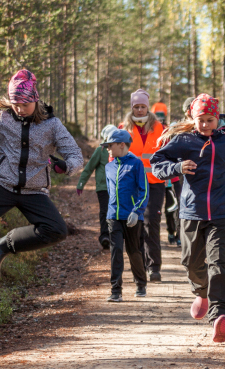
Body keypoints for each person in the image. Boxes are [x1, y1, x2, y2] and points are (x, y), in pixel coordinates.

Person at [0, 69, 83, 298]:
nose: (19, 109)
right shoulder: (3, 119)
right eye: (15, 103)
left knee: (57, 230)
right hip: (3, 185)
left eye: (24, 104)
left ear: (35, 99)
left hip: (34, 190)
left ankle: (4, 245)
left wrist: (66, 167)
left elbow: (76, 155)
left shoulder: (52, 125)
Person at [151, 94, 225, 343]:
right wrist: (176, 168)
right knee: (190, 262)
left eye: (210, 119)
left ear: (218, 118)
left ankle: (221, 314)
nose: (206, 125)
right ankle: (201, 292)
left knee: (218, 261)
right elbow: (157, 162)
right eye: (201, 120)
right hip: (191, 211)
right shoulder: (184, 139)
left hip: (222, 211)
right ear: (192, 118)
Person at [121, 89, 166, 283]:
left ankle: (154, 266)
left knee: (151, 222)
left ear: (148, 107)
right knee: (135, 224)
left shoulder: (159, 128)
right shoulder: (124, 128)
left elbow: (166, 153)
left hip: (155, 183)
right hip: (132, 184)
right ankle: (139, 267)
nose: (139, 110)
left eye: (143, 106)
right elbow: (114, 155)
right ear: (132, 107)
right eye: (136, 107)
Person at [102, 129, 149, 302]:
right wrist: (110, 211)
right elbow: (109, 191)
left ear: (121, 145)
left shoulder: (136, 164)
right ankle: (116, 291)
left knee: (133, 251)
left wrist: (137, 212)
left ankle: (141, 283)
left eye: (109, 145)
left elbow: (144, 191)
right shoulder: (109, 166)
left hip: (132, 217)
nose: (107, 148)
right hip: (113, 216)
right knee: (116, 251)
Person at [77, 124, 118, 250]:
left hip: (118, 187)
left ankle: (116, 236)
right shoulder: (100, 151)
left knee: (117, 211)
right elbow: (89, 168)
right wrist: (81, 183)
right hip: (103, 187)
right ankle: (105, 236)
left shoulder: (121, 150)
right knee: (105, 211)